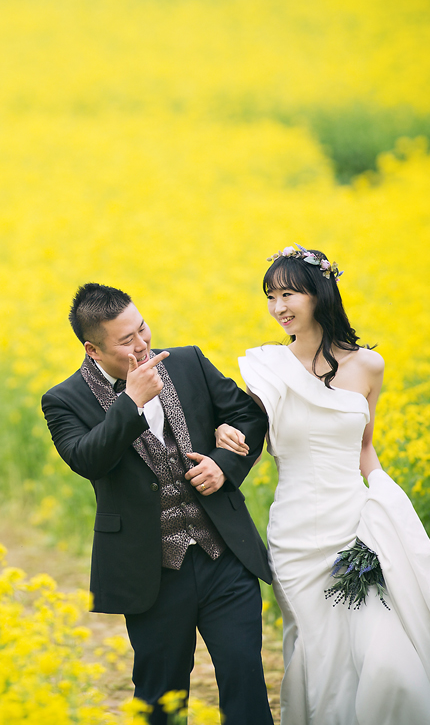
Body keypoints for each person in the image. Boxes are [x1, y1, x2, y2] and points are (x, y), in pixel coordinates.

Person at [222, 245, 430, 725]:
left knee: (388, 661)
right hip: (295, 536)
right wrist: (224, 435)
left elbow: (364, 447)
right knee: (319, 655)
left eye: (288, 294)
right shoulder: (264, 369)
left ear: (318, 293)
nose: (278, 307)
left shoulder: (368, 366)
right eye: (270, 296)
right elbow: (247, 435)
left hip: (356, 526)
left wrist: (388, 506)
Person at [42, 283, 274, 725]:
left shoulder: (187, 362)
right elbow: (87, 460)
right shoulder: (64, 399)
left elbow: (248, 416)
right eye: (126, 340)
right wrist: (131, 402)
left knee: (245, 680)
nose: (142, 343)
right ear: (93, 349)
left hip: (224, 555)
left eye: (142, 328)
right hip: (151, 572)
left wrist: (224, 464)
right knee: (160, 697)